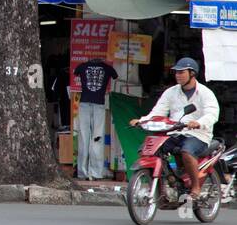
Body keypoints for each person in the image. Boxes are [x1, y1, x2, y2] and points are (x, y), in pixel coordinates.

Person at [130, 57, 218, 203]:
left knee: (186, 152)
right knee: (147, 149)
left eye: (181, 72)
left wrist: (198, 122)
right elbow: (158, 111)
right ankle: (168, 181)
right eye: (176, 72)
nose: (178, 75)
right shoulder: (171, 92)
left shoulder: (205, 93)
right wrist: (142, 120)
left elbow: (212, 114)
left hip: (198, 134)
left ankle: (195, 187)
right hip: (175, 131)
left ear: (192, 73)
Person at [73, 55, 117, 180]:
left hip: (84, 104)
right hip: (99, 105)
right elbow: (115, 76)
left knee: (83, 138)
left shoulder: (82, 66)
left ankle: (82, 172)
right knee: (97, 138)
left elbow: (76, 73)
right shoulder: (107, 68)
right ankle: (96, 173)